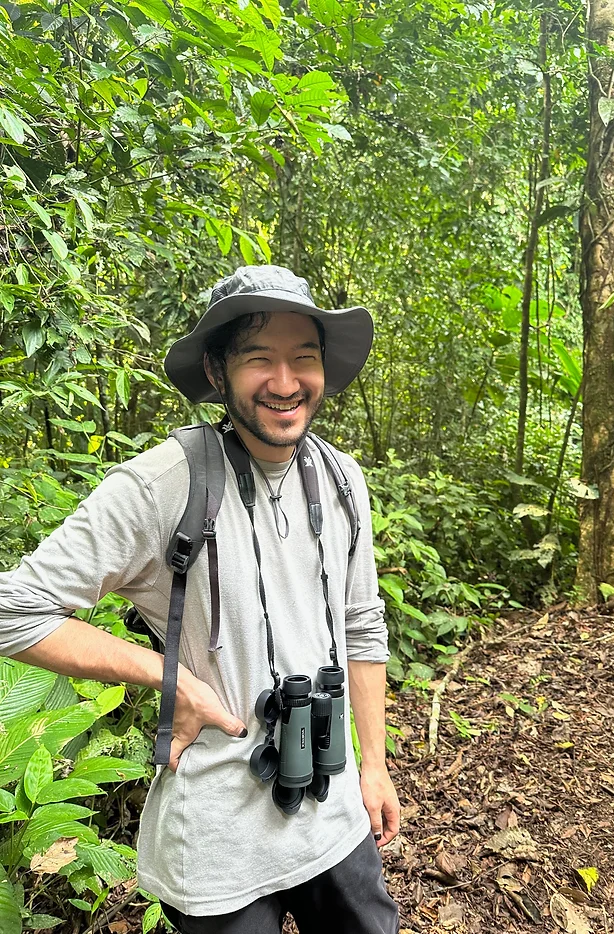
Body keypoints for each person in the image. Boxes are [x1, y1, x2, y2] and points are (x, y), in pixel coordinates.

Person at [0, 265, 401, 933]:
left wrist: (376, 768)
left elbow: (361, 624)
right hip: (219, 842)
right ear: (217, 373)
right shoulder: (163, 484)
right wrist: (171, 680)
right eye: (258, 360)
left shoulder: (340, 477)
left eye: (304, 358)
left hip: (331, 809)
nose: (285, 382)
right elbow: (14, 610)